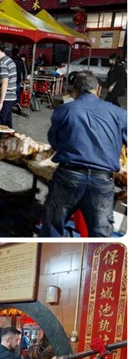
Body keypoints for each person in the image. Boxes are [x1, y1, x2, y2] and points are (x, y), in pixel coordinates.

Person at [41, 71, 127, 237]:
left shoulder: (64, 110)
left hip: (68, 176)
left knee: (53, 227)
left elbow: (54, 141)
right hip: (103, 180)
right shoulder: (119, 114)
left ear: (75, 91)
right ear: (98, 89)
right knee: (100, 235)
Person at [11, 47, 26, 112]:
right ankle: (17, 103)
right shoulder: (20, 60)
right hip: (18, 79)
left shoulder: (11, 60)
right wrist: (24, 78)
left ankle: (11, 104)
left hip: (11, 79)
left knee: (11, 92)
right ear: (18, 53)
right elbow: (24, 70)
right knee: (17, 92)